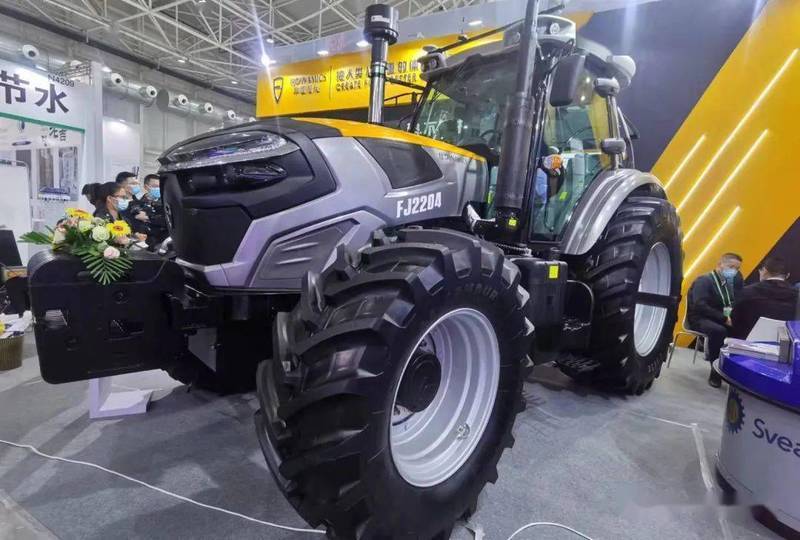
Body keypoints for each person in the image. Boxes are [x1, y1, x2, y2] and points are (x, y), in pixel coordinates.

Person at [686, 252, 743, 388]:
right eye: (731, 267)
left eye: (737, 269)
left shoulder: (727, 284)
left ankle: (732, 370)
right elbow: (700, 306)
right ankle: (715, 371)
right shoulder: (704, 280)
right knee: (719, 331)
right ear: (719, 265)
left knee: (741, 330)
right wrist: (723, 318)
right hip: (699, 318)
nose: (734, 271)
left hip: (718, 318)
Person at [730, 256, 800, 339]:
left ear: (764, 271)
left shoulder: (746, 292)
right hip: (785, 345)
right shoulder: (797, 295)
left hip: (748, 343)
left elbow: (733, 319)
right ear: (787, 275)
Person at [130, 174, 168, 248]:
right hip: (146, 242)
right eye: (155, 186)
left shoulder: (166, 202)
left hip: (164, 241)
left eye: (160, 186)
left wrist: (148, 217)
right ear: (146, 187)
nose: (158, 188)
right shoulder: (138, 204)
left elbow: (167, 220)